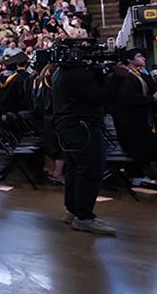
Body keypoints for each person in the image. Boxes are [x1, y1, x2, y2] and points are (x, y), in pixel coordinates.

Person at [52, 40, 125, 235]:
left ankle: (73, 210)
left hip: (69, 128)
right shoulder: (78, 74)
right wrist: (116, 78)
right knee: (89, 169)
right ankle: (84, 216)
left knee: (75, 169)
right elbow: (99, 98)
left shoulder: (60, 72)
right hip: (83, 128)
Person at [108, 49, 157, 188]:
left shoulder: (141, 73)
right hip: (131, 119)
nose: (144, 59)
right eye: (139, 56)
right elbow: (129, 97)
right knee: (139, 145)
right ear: (129, 60)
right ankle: (136, 174)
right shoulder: (124, 76)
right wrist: (151, 99)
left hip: (144, 116)